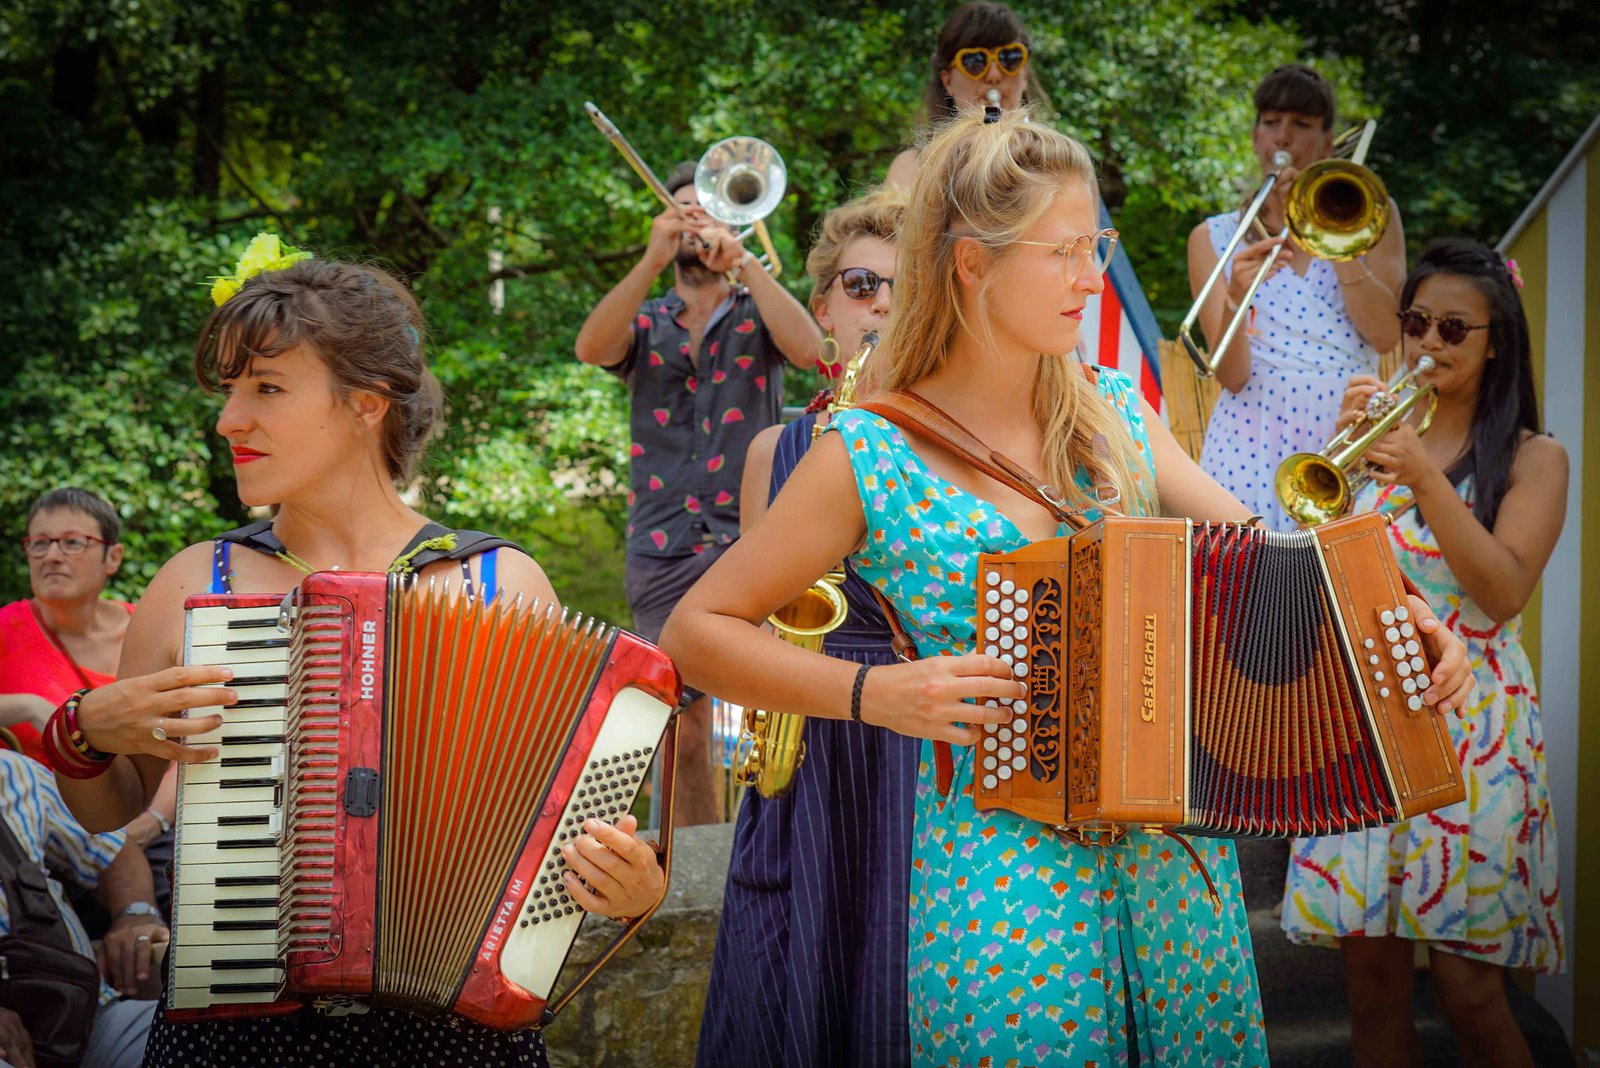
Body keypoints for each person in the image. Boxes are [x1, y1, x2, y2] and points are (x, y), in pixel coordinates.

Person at [663, 111, 1473, 1066]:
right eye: (1067, 252)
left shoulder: (1119, 415)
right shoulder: (867, 451)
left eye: (1099, 246)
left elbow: (1280, 566)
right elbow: (697, 629)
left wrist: (1401, 628)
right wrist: (874, 694)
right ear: (973, 264)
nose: (1094, 279)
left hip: (1176, 865)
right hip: (999, 880)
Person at [45, 240, 667, 1066]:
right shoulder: (198, 579)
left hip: (453, 1034)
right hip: (240, 1039)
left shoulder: (496, 581)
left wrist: (633, 886)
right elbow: (112, 811)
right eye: (231, 391)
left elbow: (561, 846)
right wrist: (84, 731)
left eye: (266, 389)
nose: (231, 419)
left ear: (367, 404)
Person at [1281, 239, 1565, 1067]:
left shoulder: (1533, 458)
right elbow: (1325, 570)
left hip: (1474, 727)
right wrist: (1344, 462)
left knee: (1469, 995)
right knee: (1369, 987)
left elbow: (1504, 590)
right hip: (1365, 714)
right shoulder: (1376, 443)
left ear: (1496, 341)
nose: (1429, 346)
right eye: (1415, 324)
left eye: (1453, 329)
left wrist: (1428, 480)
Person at [699, 185, 915, 1068]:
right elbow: (736, 627)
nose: (884, 306)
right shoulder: (772, 452)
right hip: (810, 753)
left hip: (915, 745)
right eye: (862, 286)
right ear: (822, 305)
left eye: (907, 289)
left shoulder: (962, 451)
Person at [574, 161, 820, 826]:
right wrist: (651, 257)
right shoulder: (648, 319)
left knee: (783, 712)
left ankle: (779, 851)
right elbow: (592, 346)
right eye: (679, 210)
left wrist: (749, 265)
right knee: (679, 724)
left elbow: (812, 351)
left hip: (755, 539)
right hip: (663, 542)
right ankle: (692, 884)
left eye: (704, 209)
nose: (692, 220)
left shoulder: (755, 308)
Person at [1188, 64, 1407, 531]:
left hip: (1344, 430)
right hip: (1250, 436)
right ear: (1254, 137)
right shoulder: (1213, 237)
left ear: (1327, 144)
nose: (1282, 137)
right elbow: (1231, 376)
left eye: (1301, 125)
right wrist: (1236, 295)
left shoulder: (1375, 214)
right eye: (1270, 122)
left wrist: (1333, 233)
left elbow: (1387, 335)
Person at [2, 488, 176, 918]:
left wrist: (151, 820)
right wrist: (29, 707)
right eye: (39, 543)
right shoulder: (7, 628)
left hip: (147, 827)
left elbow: (188, 745)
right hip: (38, 840)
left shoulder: (150, 633)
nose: (52, 556)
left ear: (112, 558)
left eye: (73, 542)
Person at [0, 748, 167, 1068]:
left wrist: (135, 914)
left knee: (203, 1038)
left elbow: (110, 849)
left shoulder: (12, 771)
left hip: (88, 1015)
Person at [885, 2, 1048, 189]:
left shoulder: (1059, 161)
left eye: (1009, 58)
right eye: (975, 62)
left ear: (1024, 74)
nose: (994, 75)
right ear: (948, 81)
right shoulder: (913, 169)